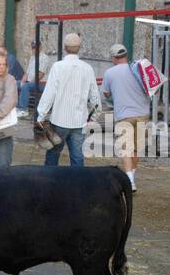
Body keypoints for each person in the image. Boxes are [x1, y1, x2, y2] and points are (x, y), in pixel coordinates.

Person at [37, 32, 99, 167]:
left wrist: (41, 114)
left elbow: (50, 93)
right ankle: (77, 187)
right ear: (80, 47)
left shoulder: (58, 67)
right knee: (77, 158)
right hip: (79, 121)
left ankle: (50, 185)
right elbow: (95, 96)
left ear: (65, 47)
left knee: (53, 155)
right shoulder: (87, 68)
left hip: (59, 119)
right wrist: (93, 117)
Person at [101, 43, 148, 192]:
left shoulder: (110, 73)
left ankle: (129, 181)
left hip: (124, 115)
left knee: (126, 149)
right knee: (136, 149)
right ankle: (132, 177)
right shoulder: (137, 69)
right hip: (142, 113)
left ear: (114, 57)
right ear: (126, 55)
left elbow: (106, 94)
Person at [18, 39, 54, 112]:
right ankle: (15, 107)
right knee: (14, 83)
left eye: (36, 47)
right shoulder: (32, 57)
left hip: (41, 83)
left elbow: (40, 74)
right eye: (33, 48)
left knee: (26, 86)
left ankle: (23, 110)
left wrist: (29, 83)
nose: (35, 49)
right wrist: (22, 81)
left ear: (40, 47)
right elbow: (26, 73)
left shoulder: (44, 58)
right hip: (31, 82)